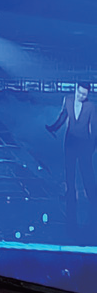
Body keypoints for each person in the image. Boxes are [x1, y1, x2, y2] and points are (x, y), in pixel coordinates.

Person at [46, 82, 96, 229]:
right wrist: (53, 128)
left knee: (87, 172)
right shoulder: (68, 100)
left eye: (84, 95)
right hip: (70, 142)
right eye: (80, 93)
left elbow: (95, 128)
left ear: (87, 95)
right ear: (76, 90)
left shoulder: (91, 107)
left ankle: (93, 198)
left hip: (84, 144)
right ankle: (70, 196)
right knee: (70, 170)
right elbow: (63, 116)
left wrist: (93, 147)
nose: (81, 96)